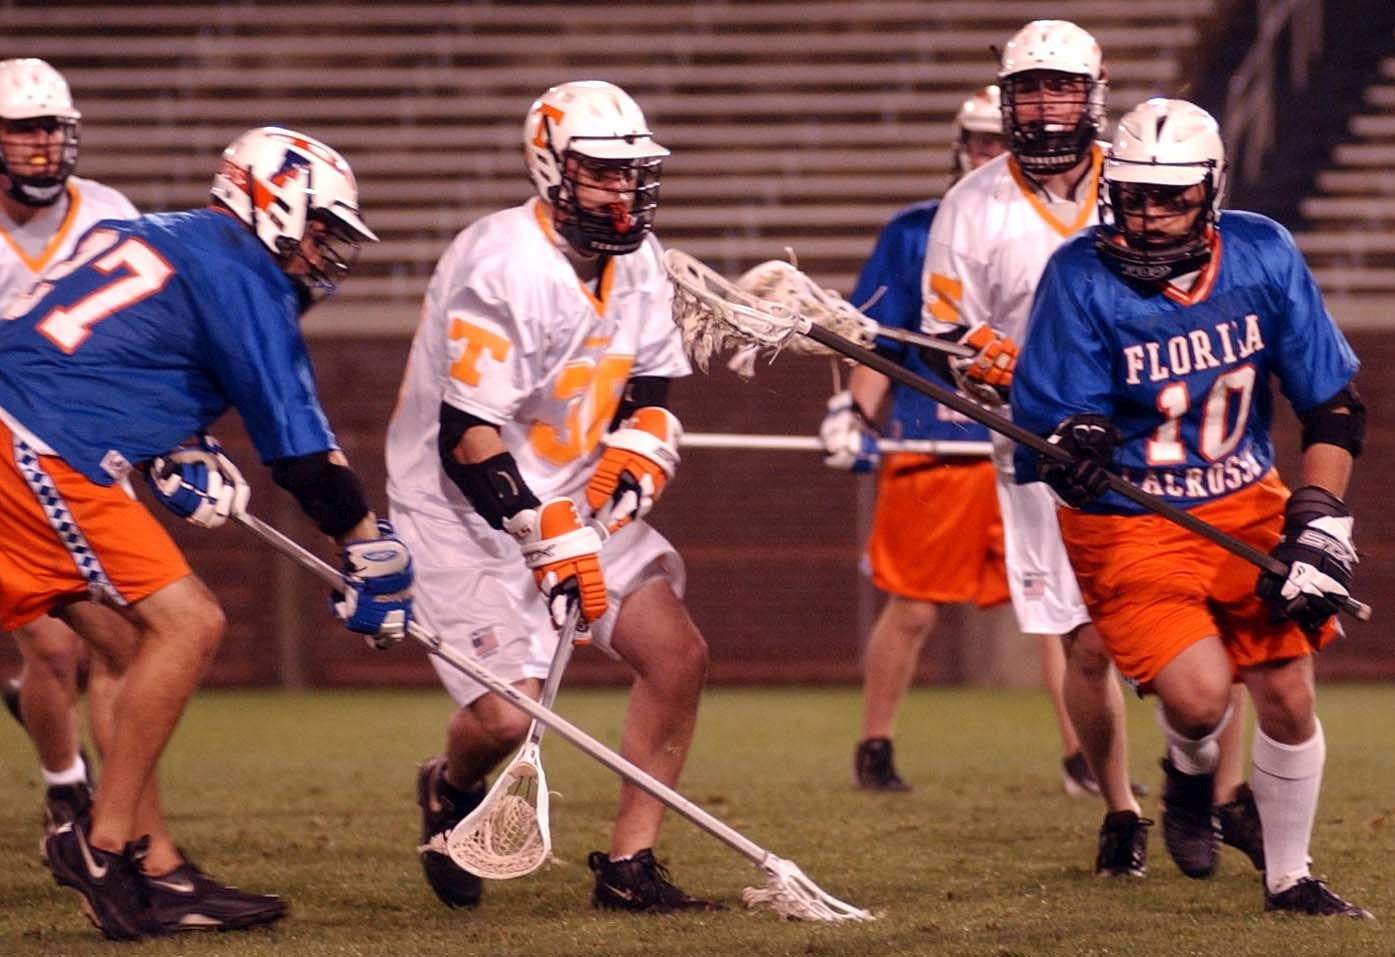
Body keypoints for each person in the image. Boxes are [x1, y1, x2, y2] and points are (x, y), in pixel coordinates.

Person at [0, 125, 412, 939]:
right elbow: (301, 455)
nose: (324, 252)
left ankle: (157, 868)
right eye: (320, 229)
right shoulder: (244, 271)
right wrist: (365, 545)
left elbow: (105, 342)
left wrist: (172, 441)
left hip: (37, 431)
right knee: (192, 623)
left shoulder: (163, 230)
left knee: (126, 648)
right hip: (39, 444)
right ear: (273, 203)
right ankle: (103, 845)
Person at [1011, 97, 1371, 919]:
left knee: (1287, 689)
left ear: (1209, 191)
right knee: (1201, 697)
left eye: (1169, 198)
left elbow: (1332, 409)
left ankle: (1289, 877)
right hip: (1128, 517)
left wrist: (1317, 520)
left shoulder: (1261, 253)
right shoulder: (1077, 275)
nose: (1147, 216)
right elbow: (1057, 437)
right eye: (1133, 197)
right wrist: (1075, 445)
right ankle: (1187, 771)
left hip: (1245, 501)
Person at [386, 80, 719, 914]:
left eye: (630, 173)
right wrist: (539, 528)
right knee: (505, 719)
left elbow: (648, 385)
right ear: (551, 169)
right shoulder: (501, 263)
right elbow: (465, 435)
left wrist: (642, 442)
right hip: (462, 510)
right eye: (600, 174)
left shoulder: (639, 258)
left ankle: (629, 866)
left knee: (676, 656)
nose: (621, 191)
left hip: (573, 492)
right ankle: (451, 785)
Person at [920, 20, 1164, 876]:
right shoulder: (969, 204)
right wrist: (983, 360)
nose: (1046, 104)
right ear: (1007, 100)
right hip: (1040, 450)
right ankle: (1121, 808)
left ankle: (1212, 783)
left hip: (1153, 434)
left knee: (1185, 616)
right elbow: (943, 336)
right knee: (1084, 639)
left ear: (1094, 93)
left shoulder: (1142, 182)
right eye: (1029, 88)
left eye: (1062, 86)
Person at [821, 87, 1026, 792]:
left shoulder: (1064, 229)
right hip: (937, 437)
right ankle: (874, 745)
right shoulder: (915, 232)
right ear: (960, 147)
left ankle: (1086, 762)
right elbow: (877, 342)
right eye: (980, 141)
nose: (990, 155)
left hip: (1032, 441)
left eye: (1001, 142)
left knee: (1061, 610)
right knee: (912, 607)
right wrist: (853, 411)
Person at [0, 57, 138, 845]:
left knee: (125, 646)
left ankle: (125, 818)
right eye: (23, 129)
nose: (41, 145)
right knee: (54, 648)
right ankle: (70, 793)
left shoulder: (109, 214)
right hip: (5, 468)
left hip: (89, 455)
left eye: (51, 129)